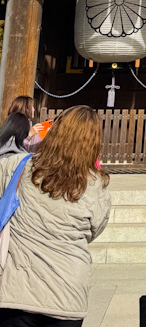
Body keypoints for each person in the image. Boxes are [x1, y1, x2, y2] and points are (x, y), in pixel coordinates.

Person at [0, 105, 111, 326]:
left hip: (17, 287)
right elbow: (95, 228)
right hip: (67, 291)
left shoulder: (16, 165)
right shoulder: (96, 184)